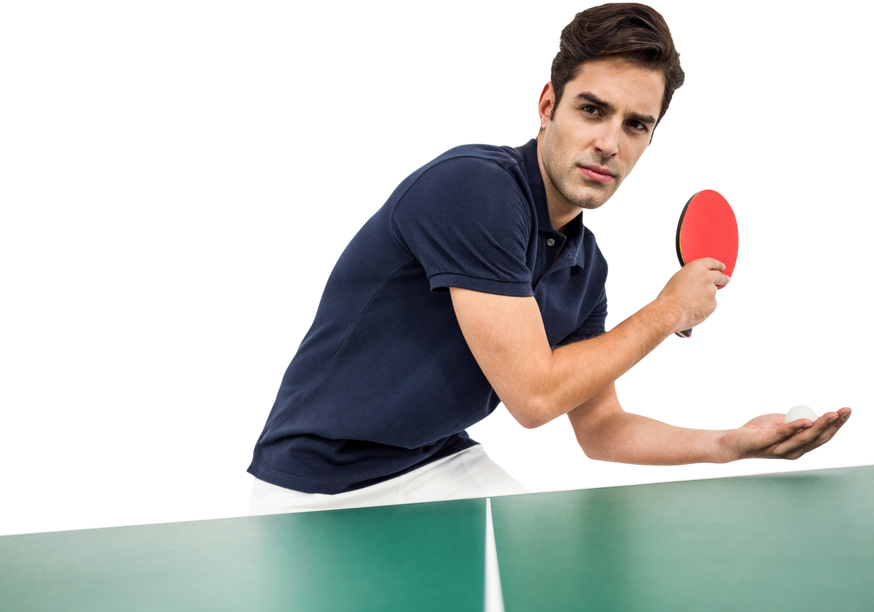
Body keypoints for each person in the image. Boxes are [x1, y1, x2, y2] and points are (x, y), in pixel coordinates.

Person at [244, 0, 853, 516]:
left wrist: (731, 444)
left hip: (431, 458)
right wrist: (665, 313)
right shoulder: (472, 188)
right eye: (593, 109)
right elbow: (534, 400)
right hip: (313, 483)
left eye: (636, 125)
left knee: (558, 600)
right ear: (546, 105)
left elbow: (600, 431)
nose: (609, 143)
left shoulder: (587, 270)